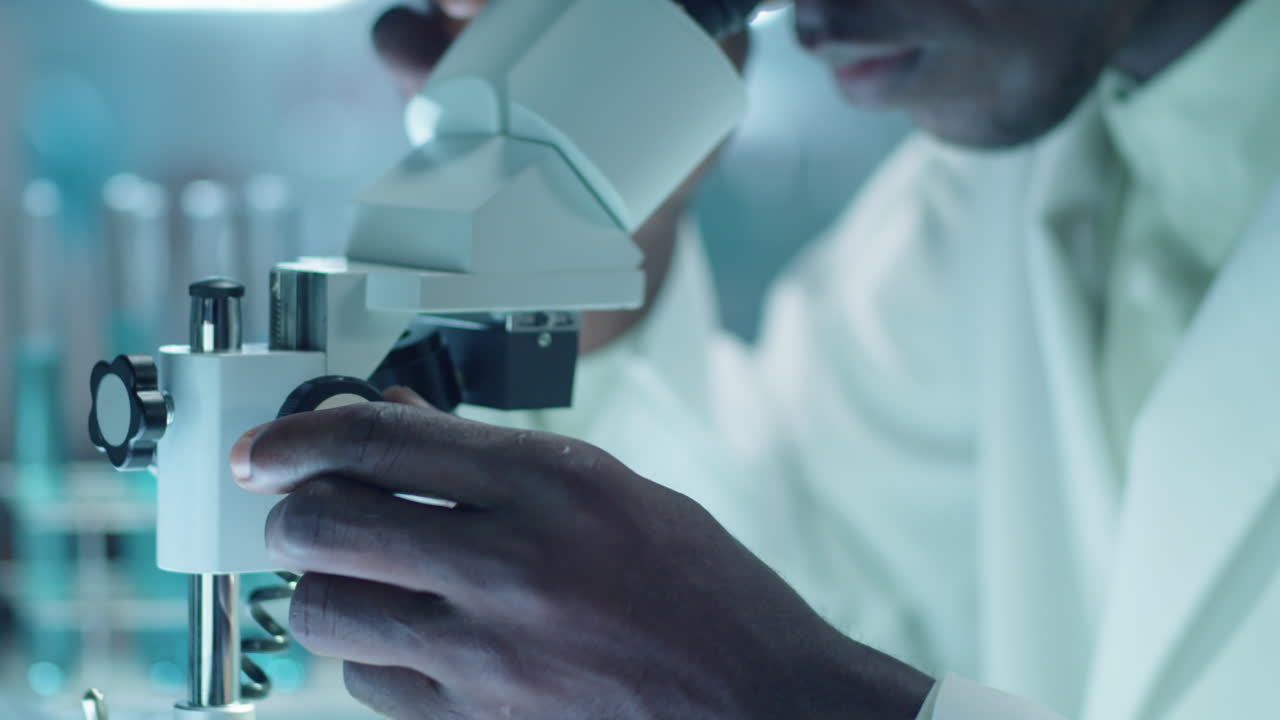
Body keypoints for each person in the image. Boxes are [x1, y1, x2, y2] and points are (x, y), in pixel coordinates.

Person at [229, 0, 1280, 717]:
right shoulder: (975, 206)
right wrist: (600, 200)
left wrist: (797, 704)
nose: (798, 13)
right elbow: (768, 586)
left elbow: (767, 663)